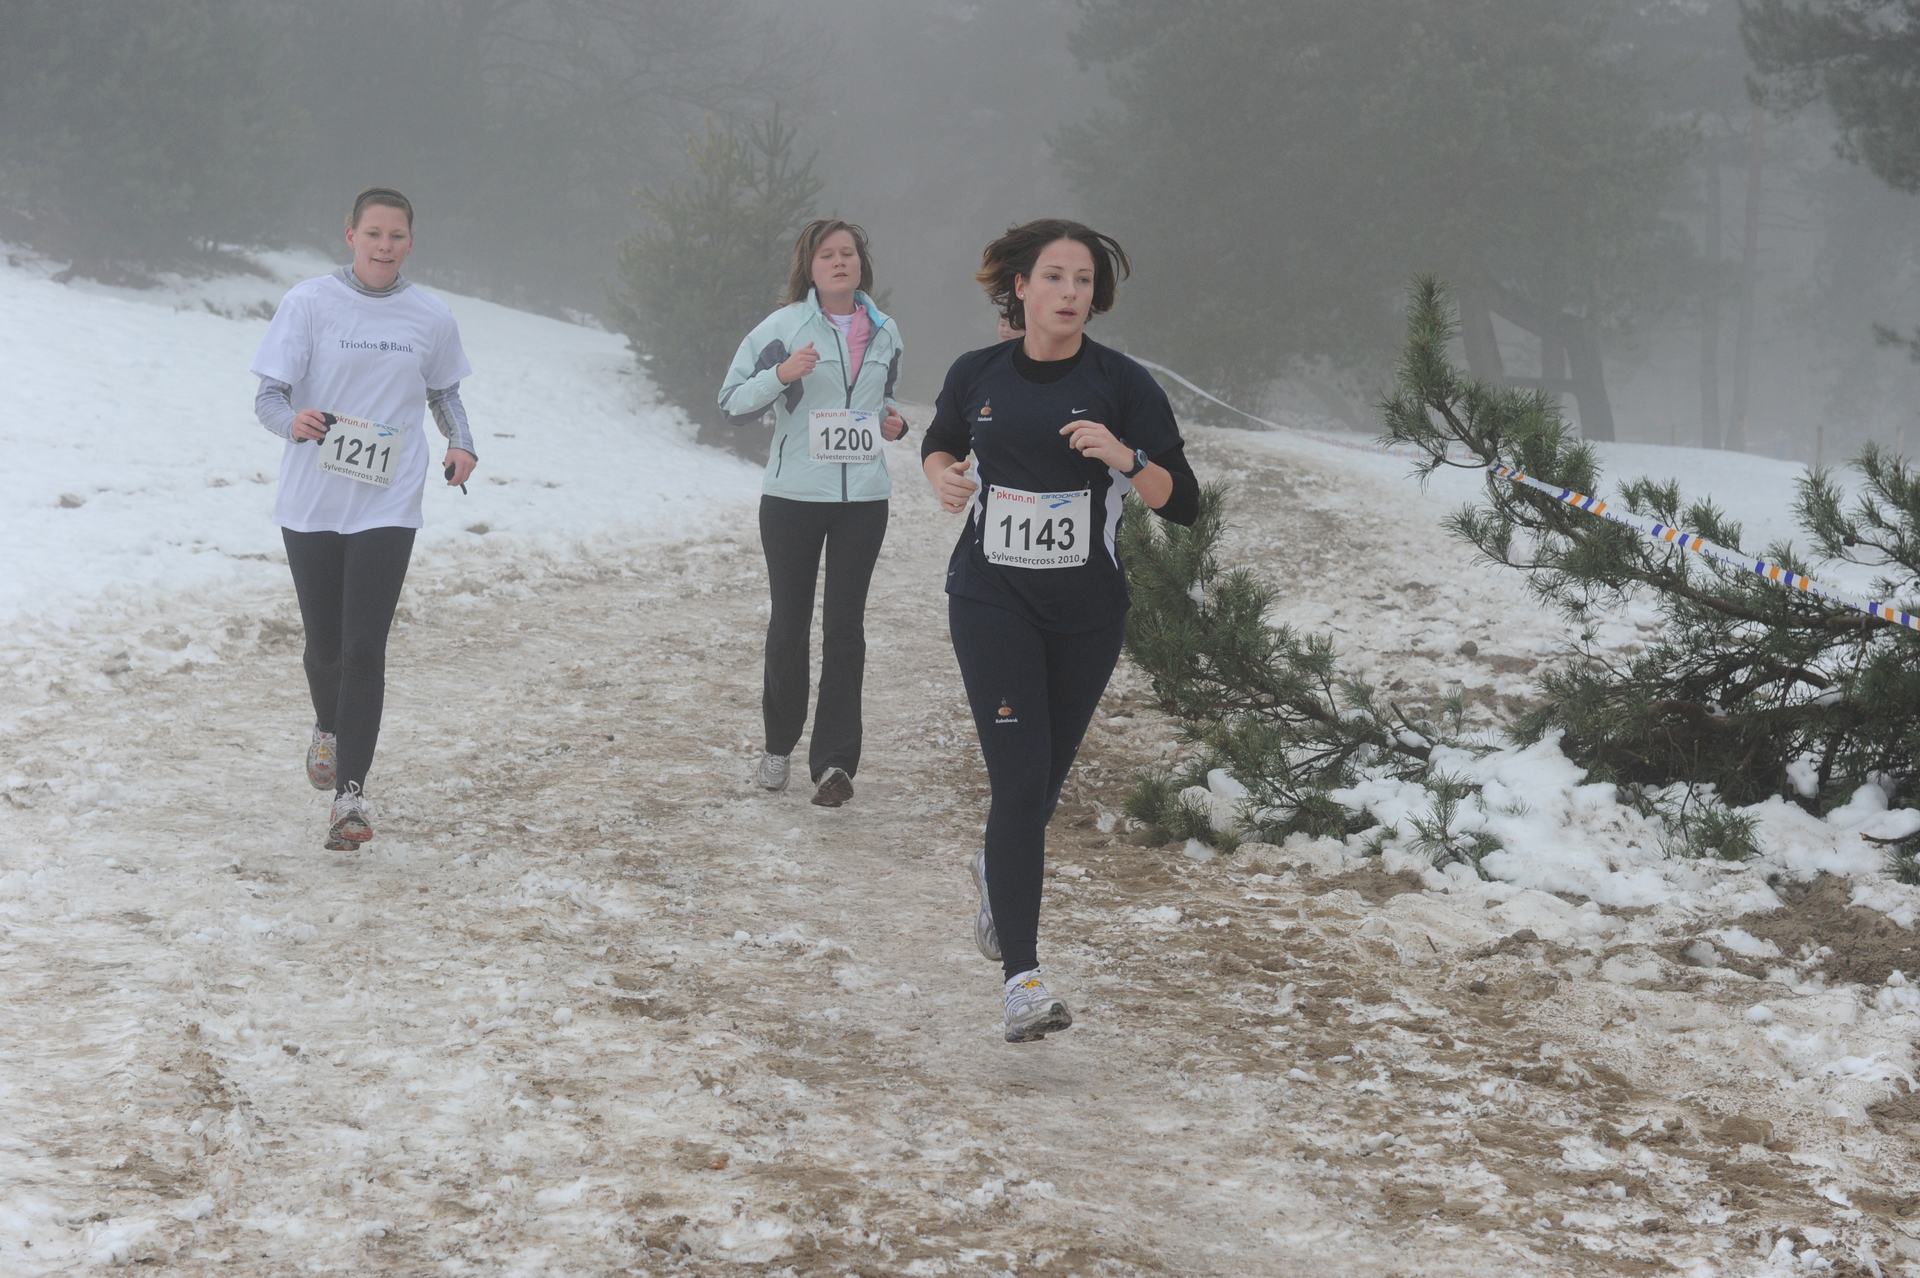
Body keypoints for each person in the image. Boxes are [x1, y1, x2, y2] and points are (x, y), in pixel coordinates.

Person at [922, 218, 1200, 1042]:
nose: (1070, 292)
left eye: (1083, 280)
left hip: (1086, 616)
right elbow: (940, 442)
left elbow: (1184, 502)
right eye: (1054, 277)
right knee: (1018, 781)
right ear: (1021, 288)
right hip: (991, 599)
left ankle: (995, 869)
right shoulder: (976, 374)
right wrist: (942, 477)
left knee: (1041, 785)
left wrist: (1124, 456)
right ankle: (1023, 981)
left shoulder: (1123, 384)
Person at [250, 186, 476, 851]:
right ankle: (327, 725)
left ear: (411, 242)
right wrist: (291, 423)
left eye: (396, 236)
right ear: (351, 235)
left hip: (388, 499)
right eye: (374, 233)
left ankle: (350, 795)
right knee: (324, 647)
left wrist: (462, 443)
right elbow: (268, 396)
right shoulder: (309, 303)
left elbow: (444, 392)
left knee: (363, 647)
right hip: (314, 500)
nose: (385, 246)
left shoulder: (430, 315)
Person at [718, 219, 908, 808]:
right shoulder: (782, 328)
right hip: (793, 499)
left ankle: (834, 763)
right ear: (810, 266)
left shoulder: (885, 331)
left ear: (861, 263)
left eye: (848, 253)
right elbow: (732, 403)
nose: (840, 261)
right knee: (790, 623)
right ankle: (778, 744)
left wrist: (894, 421)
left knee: (846, 630)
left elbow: (883, 399)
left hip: (863, 501)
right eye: (827, 254)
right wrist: (781, 374)